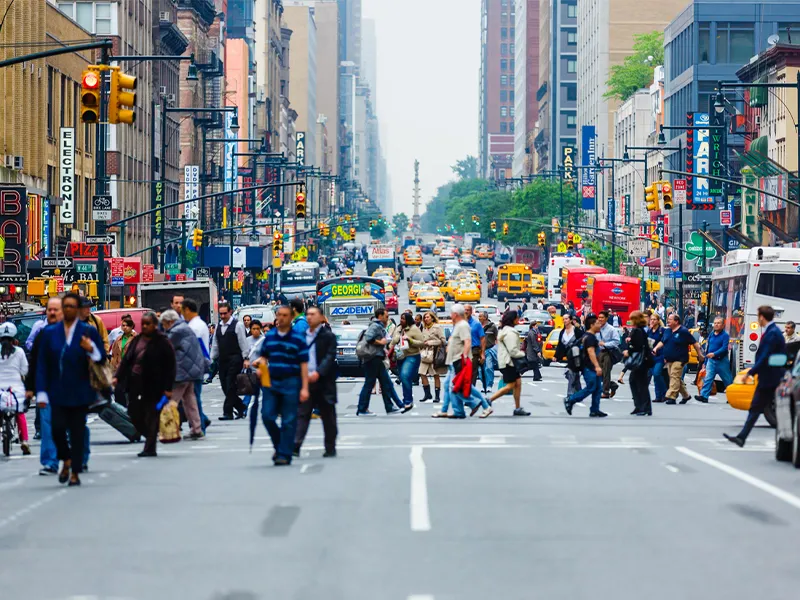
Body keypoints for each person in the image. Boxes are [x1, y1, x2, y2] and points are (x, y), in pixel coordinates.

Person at [35, 292, 105, 485]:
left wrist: (90, 348)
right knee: (56, 429)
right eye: (65, 307)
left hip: (81, 390)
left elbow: (101, 359)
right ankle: (65, 458)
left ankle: (74, 471)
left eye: (72, 307)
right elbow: (42, 364)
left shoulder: (87, 331)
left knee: (77, 431)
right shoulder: (50, 333)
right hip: (56, 391)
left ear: (78, 310)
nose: (68, 310)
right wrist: (40, 391)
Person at [114, 311, 176, 457]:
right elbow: (127, 360)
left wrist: (168, 388)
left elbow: (170, 365)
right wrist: (117, 377)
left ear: (155, 325)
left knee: (151, 414)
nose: (145, 326)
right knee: (133, 412)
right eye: (143, 324)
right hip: (135, 383)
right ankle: (150, 434)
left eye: (148, 324)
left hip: (155, 384)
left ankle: (150, 446)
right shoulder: (138, 339)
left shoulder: (162, 341)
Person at [254, 305, 309, 466]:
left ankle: (284, 453)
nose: (282, 318)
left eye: (285, 315)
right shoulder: (270, 337)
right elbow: (264, 357)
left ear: (291, 317)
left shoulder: (298, 339)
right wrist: (260, 364)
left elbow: (304, 364)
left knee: (288, 419)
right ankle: (280, 445)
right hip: (271, 381)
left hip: (291, 381)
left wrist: (305, 387)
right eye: (279, 315)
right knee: (267, 416)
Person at [25, 298, 65, 473]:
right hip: (47, 389)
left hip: (70, 388)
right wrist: (31, 388)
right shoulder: (41, 334)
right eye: (50, 310)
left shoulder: (74, 332)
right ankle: (50, 461)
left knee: (72, 427)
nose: (52, 313)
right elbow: (35, 363)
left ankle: (77, 458)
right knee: (47, 426)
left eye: (56, 310)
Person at [432, 304, 491, 419]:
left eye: (451, 314)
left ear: (455, 314)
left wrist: (464, 356)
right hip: (454, 360)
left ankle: (477, 404)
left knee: (459, 387)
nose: (450, 316)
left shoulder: (463, 325)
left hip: (459, 360)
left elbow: (468, 341)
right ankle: (450, 410)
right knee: (449, 385)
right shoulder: (458, 325)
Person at [293, 307, 338, 458]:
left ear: (321, 317)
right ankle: (295, 445)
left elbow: (330, 357)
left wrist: (318, 372)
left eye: (313, 314)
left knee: (328, 416)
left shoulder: (328, 336)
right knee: (302, 414)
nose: (310, 317)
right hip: (306, 381)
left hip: (324, 381)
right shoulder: (301, 336)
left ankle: (330, 447)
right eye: (308, 315)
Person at [160, 310, 206, 441]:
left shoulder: (176, 331)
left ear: (169, 322)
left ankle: (169, 429)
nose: (163, 326)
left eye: (164, 324)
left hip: (182, 371)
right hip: (191, 370)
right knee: (190, 401)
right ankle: (197, 428)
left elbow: (166, 347)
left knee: (172, 401)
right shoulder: (185, 327)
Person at [356, 308, 403, 416]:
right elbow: (368, 337)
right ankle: (362, 409)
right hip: (373, 359)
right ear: (380, 316)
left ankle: (391, 406)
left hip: (376, 358)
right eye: (386, 316)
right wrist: (380, 342)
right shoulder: (375, 325)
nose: (388, 319)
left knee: (386, 383)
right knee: (371, 384)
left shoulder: (378, 325)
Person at [652, 313, 705, 405]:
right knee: (675, 378)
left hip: (680, 359)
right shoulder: (667, 331)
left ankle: (671, 396)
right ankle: (686, 395)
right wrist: (656, 348)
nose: (668, 321)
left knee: (674, 376)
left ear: (676, 321)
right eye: (668, 319)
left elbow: (694, 343)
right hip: (669, 359)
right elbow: (663, 341)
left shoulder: (683, 331)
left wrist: (699, 354)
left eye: (670, 319)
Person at [564, 314, 607, 418]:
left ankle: (594, 410)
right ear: (592, 325)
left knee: (598, 388)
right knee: (591, 387)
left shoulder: (586, 336)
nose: (599, 324)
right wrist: (597, 366)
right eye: (597, 323)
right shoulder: (590, 337)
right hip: (589, 367)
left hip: (589, 367)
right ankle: (570, 400)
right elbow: (591, 352)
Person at [211, 302, 249, 420]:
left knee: (230, 385)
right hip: (222, 360)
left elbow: (243, 342)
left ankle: (227, 412)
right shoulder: (218, 326)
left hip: (235, 359)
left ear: (230, 312)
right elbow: (215, 344)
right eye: (220, 314)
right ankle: (241, 407)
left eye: (224, 313)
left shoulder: (238, 325)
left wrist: (246, 358)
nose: (222, 316)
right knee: (224, 385)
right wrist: (212, 358)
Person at [490, 310, 529, 416]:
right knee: (511, 385)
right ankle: (489, 400)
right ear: (513, 320)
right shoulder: (511, 333)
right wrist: (523, 355)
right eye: (517, 318)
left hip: (506, 361)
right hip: (509, 362)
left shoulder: (505, 331)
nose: (519, 320)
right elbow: (513, 350)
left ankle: (517, 407)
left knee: (517, 383)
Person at [0, 322, 30, 455]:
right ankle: (24, 440)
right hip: (16, 389)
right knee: (20, 413)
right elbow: (25, 370)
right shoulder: (19, 351)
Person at [181, 298, 211, 433]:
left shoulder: (195, 327)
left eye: (182, 311)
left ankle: (201, 425)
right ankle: (201, 421)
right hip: (196, 366)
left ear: (187, 310)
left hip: (195, 366)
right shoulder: (196, 325)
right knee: (192, 398)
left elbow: (195, 348)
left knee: (194, 398)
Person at [390, 312, 423, 412]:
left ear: (408, 320)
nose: (401, 320)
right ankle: (407, 400)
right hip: (400, 356)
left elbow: (422, 343)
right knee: (405, 379)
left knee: (404, 375)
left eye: (403, 319)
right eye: (400, 318)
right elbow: (393, 340)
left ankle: (408, 401)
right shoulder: (399, 328)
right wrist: (391, 347)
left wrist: (410, 340)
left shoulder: (414, 329)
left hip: (412, 355)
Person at [695, 317, 733, 403]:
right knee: (708, 378)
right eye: (715, 323)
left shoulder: (725, 335)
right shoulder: (711, 334)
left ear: (723, 325)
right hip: (711, 361)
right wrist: (705, 362)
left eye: (718, 323)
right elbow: (708, 348)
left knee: (728, 380)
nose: (716, 324)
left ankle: (731, 397)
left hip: (722, 361)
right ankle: (704, 396)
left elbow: (724, 348)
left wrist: (714, 354)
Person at [624, 311, 654, 416]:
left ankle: (643, 407)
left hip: (640, 361)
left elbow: (638, 346)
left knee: (640, 384)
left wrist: (629, 350)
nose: (630, 321)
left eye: (632, 319)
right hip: (643, 361)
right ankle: (641, 406)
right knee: (636, 382)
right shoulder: (640, 330)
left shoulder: (638, 331)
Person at [419, 311, 447, 402]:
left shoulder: (437, 327)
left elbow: (443, 341)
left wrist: (431, 343)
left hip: (434, 353)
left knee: (435, 374)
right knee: (422, 373)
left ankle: (437, 396)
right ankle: (427, 394)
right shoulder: (423, 327)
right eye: (425, 317)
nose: (426, 319)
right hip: (424, 353)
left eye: (427, 317)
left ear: (432, 318)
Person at [556, 314, 583, 396]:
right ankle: (579, 390)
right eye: (563, 319)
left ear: (571, 320)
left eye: (566, 319)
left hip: (576, 355)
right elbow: (560, 344)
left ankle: (570, 393)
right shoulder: (562, 332)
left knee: (571, 372)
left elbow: (583, 339)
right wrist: (556, 356)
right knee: (572, 374)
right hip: (569, 356)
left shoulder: (576, 330)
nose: (565, 320)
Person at [242, 319, 265, 416]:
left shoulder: (264, 340)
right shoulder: (246, 340)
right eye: (253, 329)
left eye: (257, 329)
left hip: (262, 371)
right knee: (248, 392)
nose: (255, 330)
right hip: (251, 371)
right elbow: (244, 353)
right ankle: (243, 410)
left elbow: (267, 354)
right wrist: (245, 360)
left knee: (267, 392)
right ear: (250, 329)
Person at [596, 310, 621, 399]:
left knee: (606, 372)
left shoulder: (611, 329)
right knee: (598, 373)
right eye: (599, 317)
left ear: (606, 318)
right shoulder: (596, 328)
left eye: (602, 317)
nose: (600, 319)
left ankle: (605, 392)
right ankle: (612, 385)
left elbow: (617, 341)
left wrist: (606, 344)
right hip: (598, 353)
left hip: (608, 352)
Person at [647, 314, 668, 403]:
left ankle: (665, 393)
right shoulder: (649, 331)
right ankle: (658, 396)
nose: (652, 321)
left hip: (660, 356)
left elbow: (665, 343)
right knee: (655, 376)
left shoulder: (662, 330)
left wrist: (666, 356)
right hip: (651, 357)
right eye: (651, 319)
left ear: (658, 321)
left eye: (654, 319)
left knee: (657, 374)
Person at [463, 304, 486, 386]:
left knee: (472, 372)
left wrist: (482, 353)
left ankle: (471, 390)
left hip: (473, 351)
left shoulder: (476, 324)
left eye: (468, 310)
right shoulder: (459, 323)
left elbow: (482, 339)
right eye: (465, 310)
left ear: (471, 311)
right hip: (461, 350)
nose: (466, 311)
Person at [478, 311, 498, 393]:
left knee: (488, 368)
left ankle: (489, 385)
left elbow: (497, 338)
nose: (479, 318)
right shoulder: (477, 326)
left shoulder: (492, 327)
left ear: (485, 317)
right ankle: (484, 385)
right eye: (478, 316)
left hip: (489, 350)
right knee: (480, 370)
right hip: (479, 351)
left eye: (480, 316)